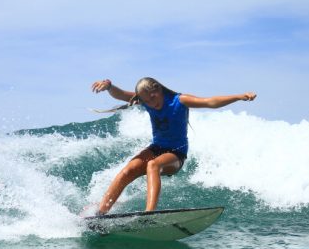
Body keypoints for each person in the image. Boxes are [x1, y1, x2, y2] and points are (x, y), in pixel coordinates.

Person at [91, 77, 256, 215]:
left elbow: (209, 102)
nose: (151, 103)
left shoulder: (179, 101)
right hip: (156, 148)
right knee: (127, 170)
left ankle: (149, 214)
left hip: (176, 154)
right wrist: (109, 86)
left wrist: (239, 96)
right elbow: (120, 94)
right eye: (146, 101)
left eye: (152, 98)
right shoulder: (146, 101)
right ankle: (100, 214)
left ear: (158, 89)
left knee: (153, 165)